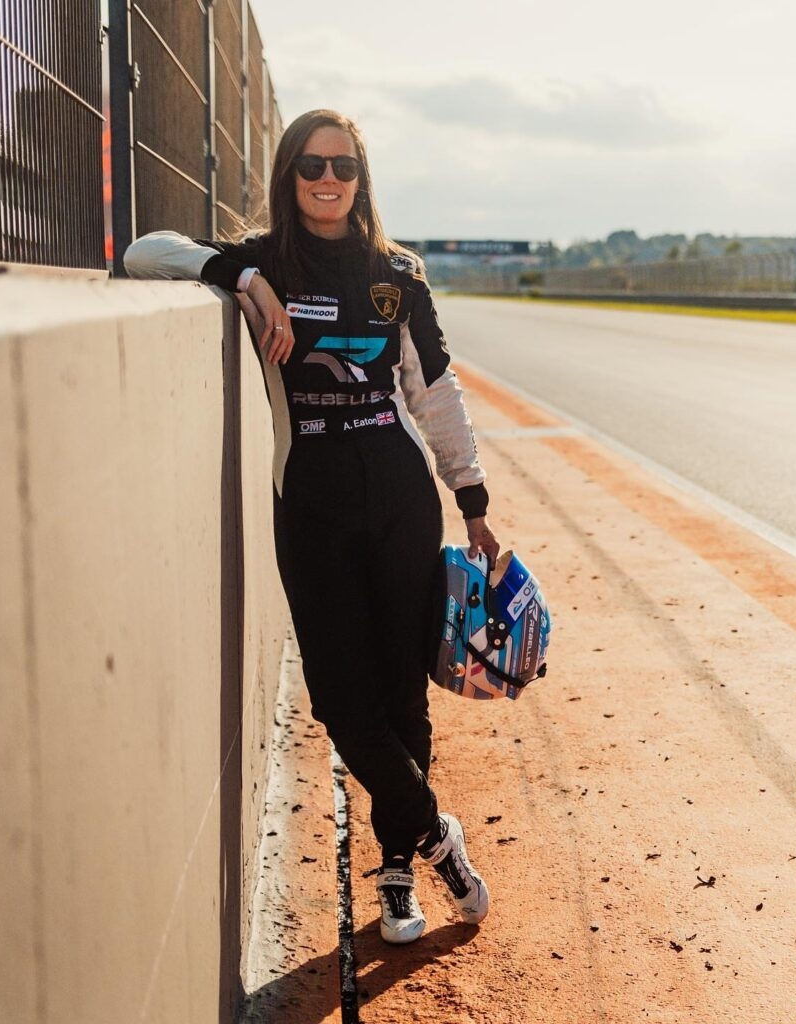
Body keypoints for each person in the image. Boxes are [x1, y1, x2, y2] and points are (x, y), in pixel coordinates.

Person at [124, 109, 499, 945]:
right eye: (310, 166)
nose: (327, 180)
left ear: (362, 178)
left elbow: (435, 393)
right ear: (288, 176)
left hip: (402, 499)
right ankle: (439, 832)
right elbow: (141, 253)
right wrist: (242, 279)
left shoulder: (397, 274)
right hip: (313, 504)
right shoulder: (264, 262)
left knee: (403, 690)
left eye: (343, 165)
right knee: (338, 695)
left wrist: (471, 500)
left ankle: (398, 870)